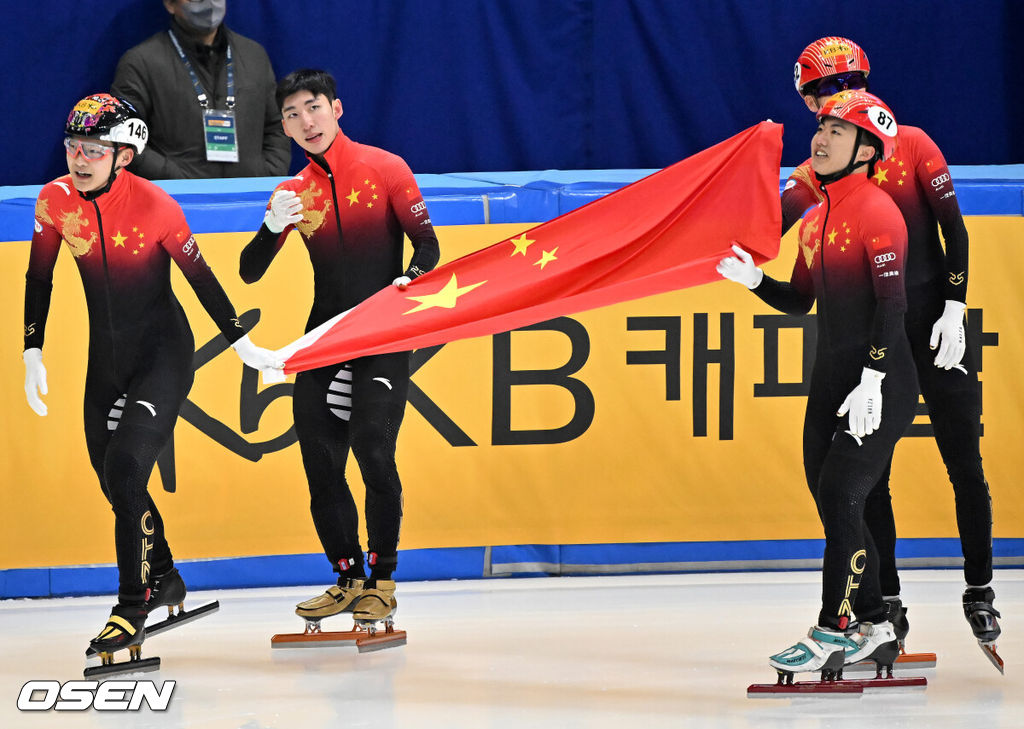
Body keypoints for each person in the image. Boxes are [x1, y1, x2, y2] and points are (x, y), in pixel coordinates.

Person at [23, 94, 281, 658]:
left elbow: (203, 280)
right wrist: (31, 350)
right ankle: (162, 574)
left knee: (126, 466)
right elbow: (39, 275)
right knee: (118, 483)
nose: (79, 159)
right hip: (106, 362)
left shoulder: (157, 206)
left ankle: (130, 607)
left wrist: (244, 344)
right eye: (72, 147)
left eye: (93, 149)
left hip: (163, 354)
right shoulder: (54, 201)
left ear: (124, 156)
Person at [784, 37, 1000, 657]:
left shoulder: (911, 142)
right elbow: (772, 219)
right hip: (878, 327)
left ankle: (980, 588)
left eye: (844, 83)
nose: (834, 97)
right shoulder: (817, 167)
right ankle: (886, 603)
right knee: (867, 477)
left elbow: (952, 228)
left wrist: (956, 304)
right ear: (807, 101)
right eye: (820, 93)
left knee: (963, 455)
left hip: (934, 318)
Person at [719, 90, 915, 677]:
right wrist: (755, 280)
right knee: (836, 504)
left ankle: (833, 629)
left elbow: (893, 305)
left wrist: (875, 379)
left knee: (842, 495)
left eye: (836, 130)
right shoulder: (817, 218)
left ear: (865, 149)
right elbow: (801, 301)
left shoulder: (879, 211)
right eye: (821, 127)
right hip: (831, 382)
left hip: (880, 382)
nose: (820, 138)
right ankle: (877, 621)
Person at [239, 69, 440, 629]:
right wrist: (266, 227)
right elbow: (250, 272)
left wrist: (411, 277)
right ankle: (347, 577)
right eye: (292, 115)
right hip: (324, 337)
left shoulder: (385, 167)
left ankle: (382, 579)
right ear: (282, 126)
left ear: (337, 109)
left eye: (313, 108)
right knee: (320, 461)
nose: (305, 122)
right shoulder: (291, 192)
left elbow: (428, 243)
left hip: (381, 332)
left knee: (373, 447)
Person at [110, 0, 290, 179]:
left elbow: (277, 126)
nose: (209, 3)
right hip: (176, 200)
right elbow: (125, 136)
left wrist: (267, 172)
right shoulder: (141, 62)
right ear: (170, 4)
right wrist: (173, 179)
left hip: (250, 197)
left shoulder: (254, 55)